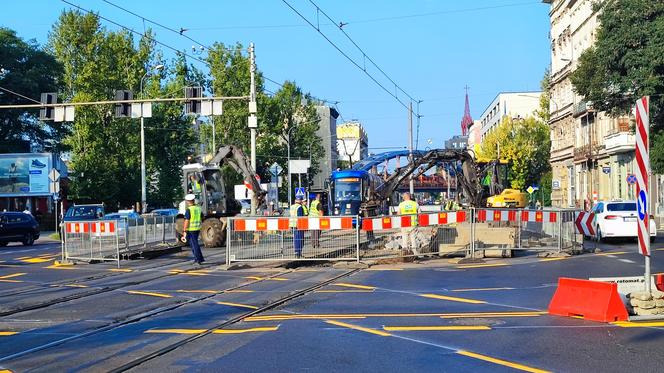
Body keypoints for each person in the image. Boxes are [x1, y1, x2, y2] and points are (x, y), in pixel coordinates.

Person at [182, 194, 205, 265]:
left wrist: (184, 230)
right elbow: (202, 217)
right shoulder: (198, 208)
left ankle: (198, 260)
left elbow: (187, 221)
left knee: (194, 245)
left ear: (188, 201)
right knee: (195, 244)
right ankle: (200, 258)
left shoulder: (189, 210)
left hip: (191, 229)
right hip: (197, 228)